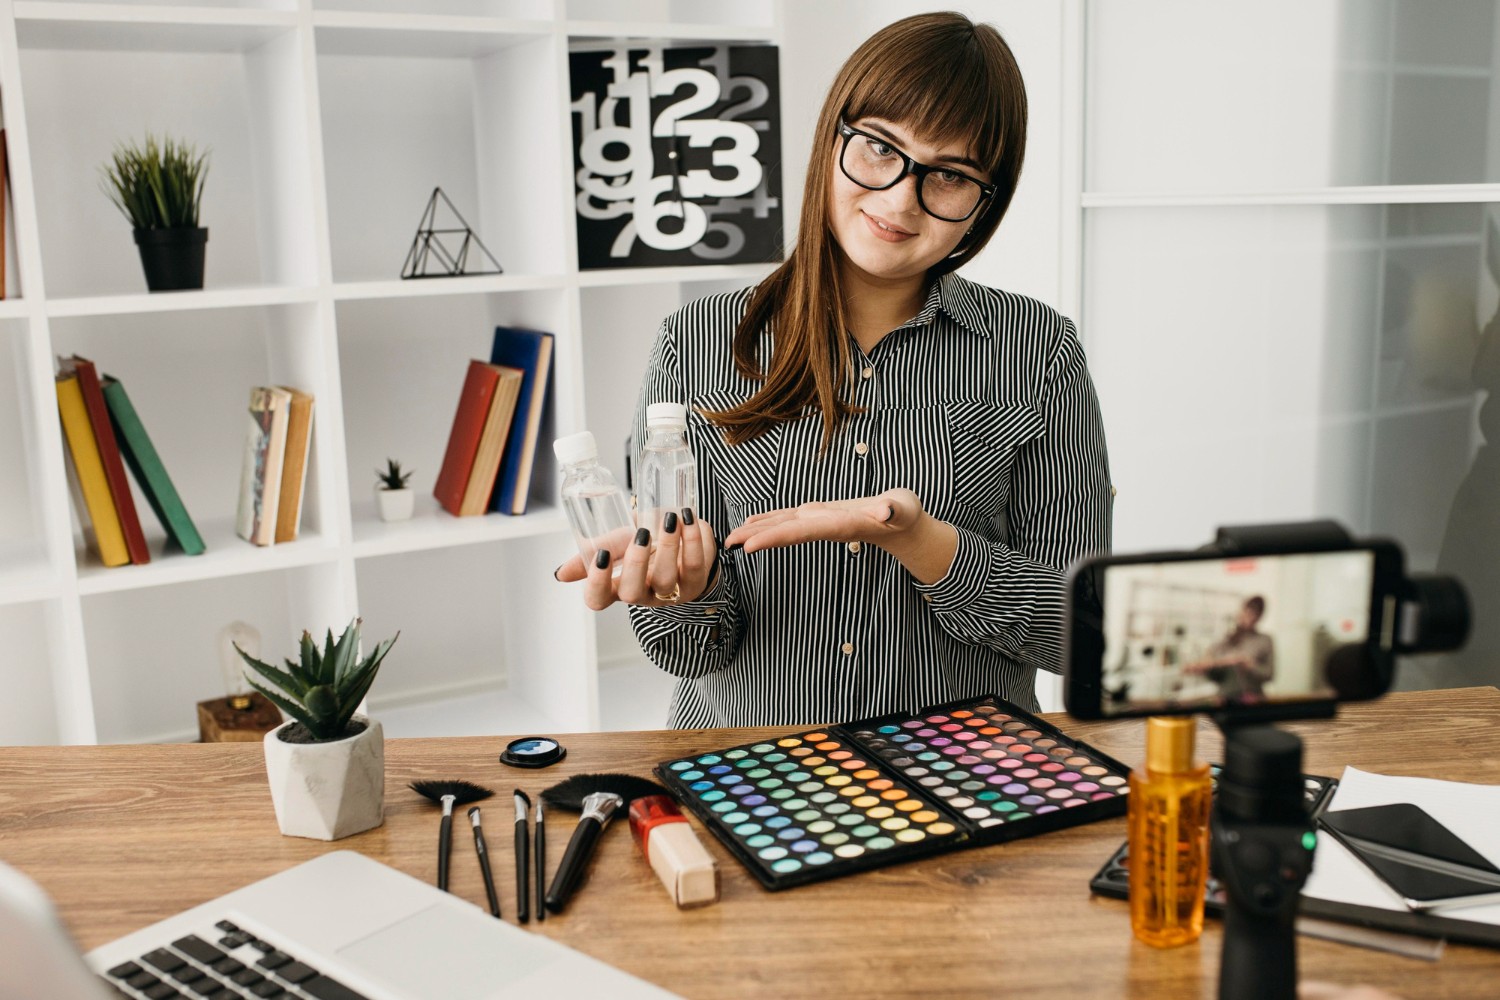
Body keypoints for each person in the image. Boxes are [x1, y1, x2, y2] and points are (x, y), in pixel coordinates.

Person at [556, 12, 1113, 727]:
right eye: (880, 148)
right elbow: (689, 653)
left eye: (949, 175)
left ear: (985, 203)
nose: (898, 199)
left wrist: (925, 545)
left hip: (961, 778)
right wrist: (684, 591)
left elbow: (1084, 634)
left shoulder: (1039, 352)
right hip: (754, 775)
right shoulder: (694, 342)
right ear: (834, 137)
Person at [1185, 596, 1276, 701]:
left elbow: (1269, 674)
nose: (1248, 618)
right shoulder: (1225, 640)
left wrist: (1250, 666)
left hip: (1252, 699)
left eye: (1253, 614)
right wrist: (1204, 668)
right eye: (1246, 613)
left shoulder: (1264, 640)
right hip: (1225, 699)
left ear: (1259, 617)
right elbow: (1215, 673)